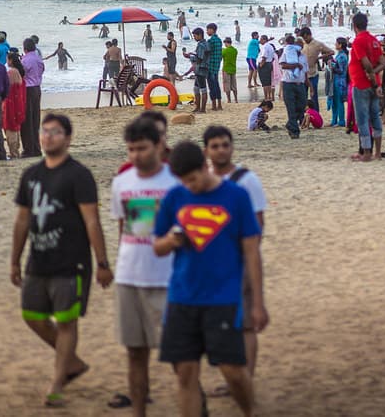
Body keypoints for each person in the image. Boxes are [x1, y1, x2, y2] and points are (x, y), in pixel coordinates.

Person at [153, 141, 267, 417]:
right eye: (183, 181)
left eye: (193, 179)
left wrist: (258, 303)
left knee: (233, 372)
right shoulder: (174, 197)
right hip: (182, 297)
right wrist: (171, 240)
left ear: (205, 167)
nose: (189, 186)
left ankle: (249, 410)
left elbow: (252, 251)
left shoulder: (236, 196)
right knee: (185, 373)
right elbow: (157, 247)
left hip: (223, 298)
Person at [10, 113, 112, 408]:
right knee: (32, 316)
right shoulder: (31, 175)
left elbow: (92, 221)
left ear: (67, 138)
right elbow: (22, 221)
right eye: (44, 131)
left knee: (66, 322)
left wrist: (102, 263)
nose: (48, 136)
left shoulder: (78, 175)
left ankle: (57, 381)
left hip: (72, 262)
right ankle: (73, 362)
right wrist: (15, 260)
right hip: (38, 261)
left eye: (55, 132)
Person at [108, 118, 179, 415]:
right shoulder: (122, 182)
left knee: (180, 354)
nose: (136, 155)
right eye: (131, 149)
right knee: (135, 353)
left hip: (168, 278)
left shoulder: (176, 183)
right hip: (129, 276)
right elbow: (124, 227)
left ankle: (195, 404)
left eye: (142, 148)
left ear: (158, 146)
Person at [202, 127, 268, 384]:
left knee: (247, 324)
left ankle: (246, 381)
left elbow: (259, 221)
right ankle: (233, 380)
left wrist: (248, 253)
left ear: (231, 147)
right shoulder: (204, 179)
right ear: (206, 150)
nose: (221, 150)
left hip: (240, 260)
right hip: (212, 264)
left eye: (225, 145)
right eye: (215, 146)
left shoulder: (246, 179)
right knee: (221, 323)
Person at [349, 12, 384, 162]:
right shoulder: (374, 40)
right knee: (375, 117)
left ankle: (367, 153)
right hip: (374, 84)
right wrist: (374, 77)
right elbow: (382, 62)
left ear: (354, 26)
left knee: (362, 120)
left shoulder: (358, 41)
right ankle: (378, 153)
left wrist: (369, 74)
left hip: (361, 84)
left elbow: (366, 64)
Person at [279, 34, 308, 139]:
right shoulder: (287, 52)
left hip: (300, 84)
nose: (301, 47)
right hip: (288, 84)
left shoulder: (303, 56)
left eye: (302, 45)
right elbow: (282, 65)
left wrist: (309, 86)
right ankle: (294, 131)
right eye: (299, 44)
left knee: (301, 106)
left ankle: (290, 124)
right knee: (291, 108)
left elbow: (305, 72)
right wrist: (295, 65)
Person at [300, 28, 333, 108]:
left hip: (313, 74)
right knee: (302, 96)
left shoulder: (318, 44)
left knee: (313, 95)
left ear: (310, 35)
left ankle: (316, 113)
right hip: (303, 75)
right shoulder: (301, 44)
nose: (305, 39)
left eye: (306, 37)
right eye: (304, 38)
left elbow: (331, 52)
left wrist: (320, 57)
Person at [3, 52, 26, 159]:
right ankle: (15, 151)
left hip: (10, 103)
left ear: (11, 60)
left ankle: (14, 153)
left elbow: (6, 89)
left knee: (10, 127)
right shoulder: (18, 72)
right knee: (16, 127)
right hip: (18, 103)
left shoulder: (11, 73)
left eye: (7, 59)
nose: (6, 61)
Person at [184, 28, 210, 114]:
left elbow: (199, 59)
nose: (194, 37)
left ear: (199, 35)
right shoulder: (205, 44)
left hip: (201, 69)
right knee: (196, 88)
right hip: (203, 68)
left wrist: (190, 56)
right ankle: (198, 107)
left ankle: (202, 109)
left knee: (203, 89)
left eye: (195, 36)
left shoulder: (201, 45)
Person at [329, 38, 349, 127]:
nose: (335, 44)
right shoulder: (341, 55)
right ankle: (334, 120)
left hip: (340, 81)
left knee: (339, 101)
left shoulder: (342, 56)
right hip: (338, 80)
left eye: (336, 43)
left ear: (340, 45)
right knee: (335, 101)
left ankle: (340, 121)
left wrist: (331, 66)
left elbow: (340, 70)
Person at [205, 24, 223, 112]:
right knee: (216, 85)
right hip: (217, 65)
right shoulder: (219, 40)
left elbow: (206, 52)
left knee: (212, 86)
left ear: (212, 30)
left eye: (208, 30)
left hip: (210, 66)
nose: (207, 31)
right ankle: (219, 104)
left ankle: (214, 105)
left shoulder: (211, 41)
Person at [257, 35, 276, 102]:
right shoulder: (270, 46)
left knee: (265, 83)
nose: (260, 41)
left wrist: (261, 65)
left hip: (265, 64)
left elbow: (264, 57)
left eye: (261, 39)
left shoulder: (265, 46)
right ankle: (269, 96)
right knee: (268, 82)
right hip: (269, 63)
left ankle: (266, 97)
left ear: (264, 40)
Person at [222, 38, 239, 104]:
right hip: (233, 69)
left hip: (226, 69)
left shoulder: (225, 51)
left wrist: (223, 50)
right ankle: (236, 99)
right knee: (234, 85)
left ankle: (229, 100)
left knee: (227, 86)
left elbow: (222, 55)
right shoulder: (235, 50)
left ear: (226, 43)